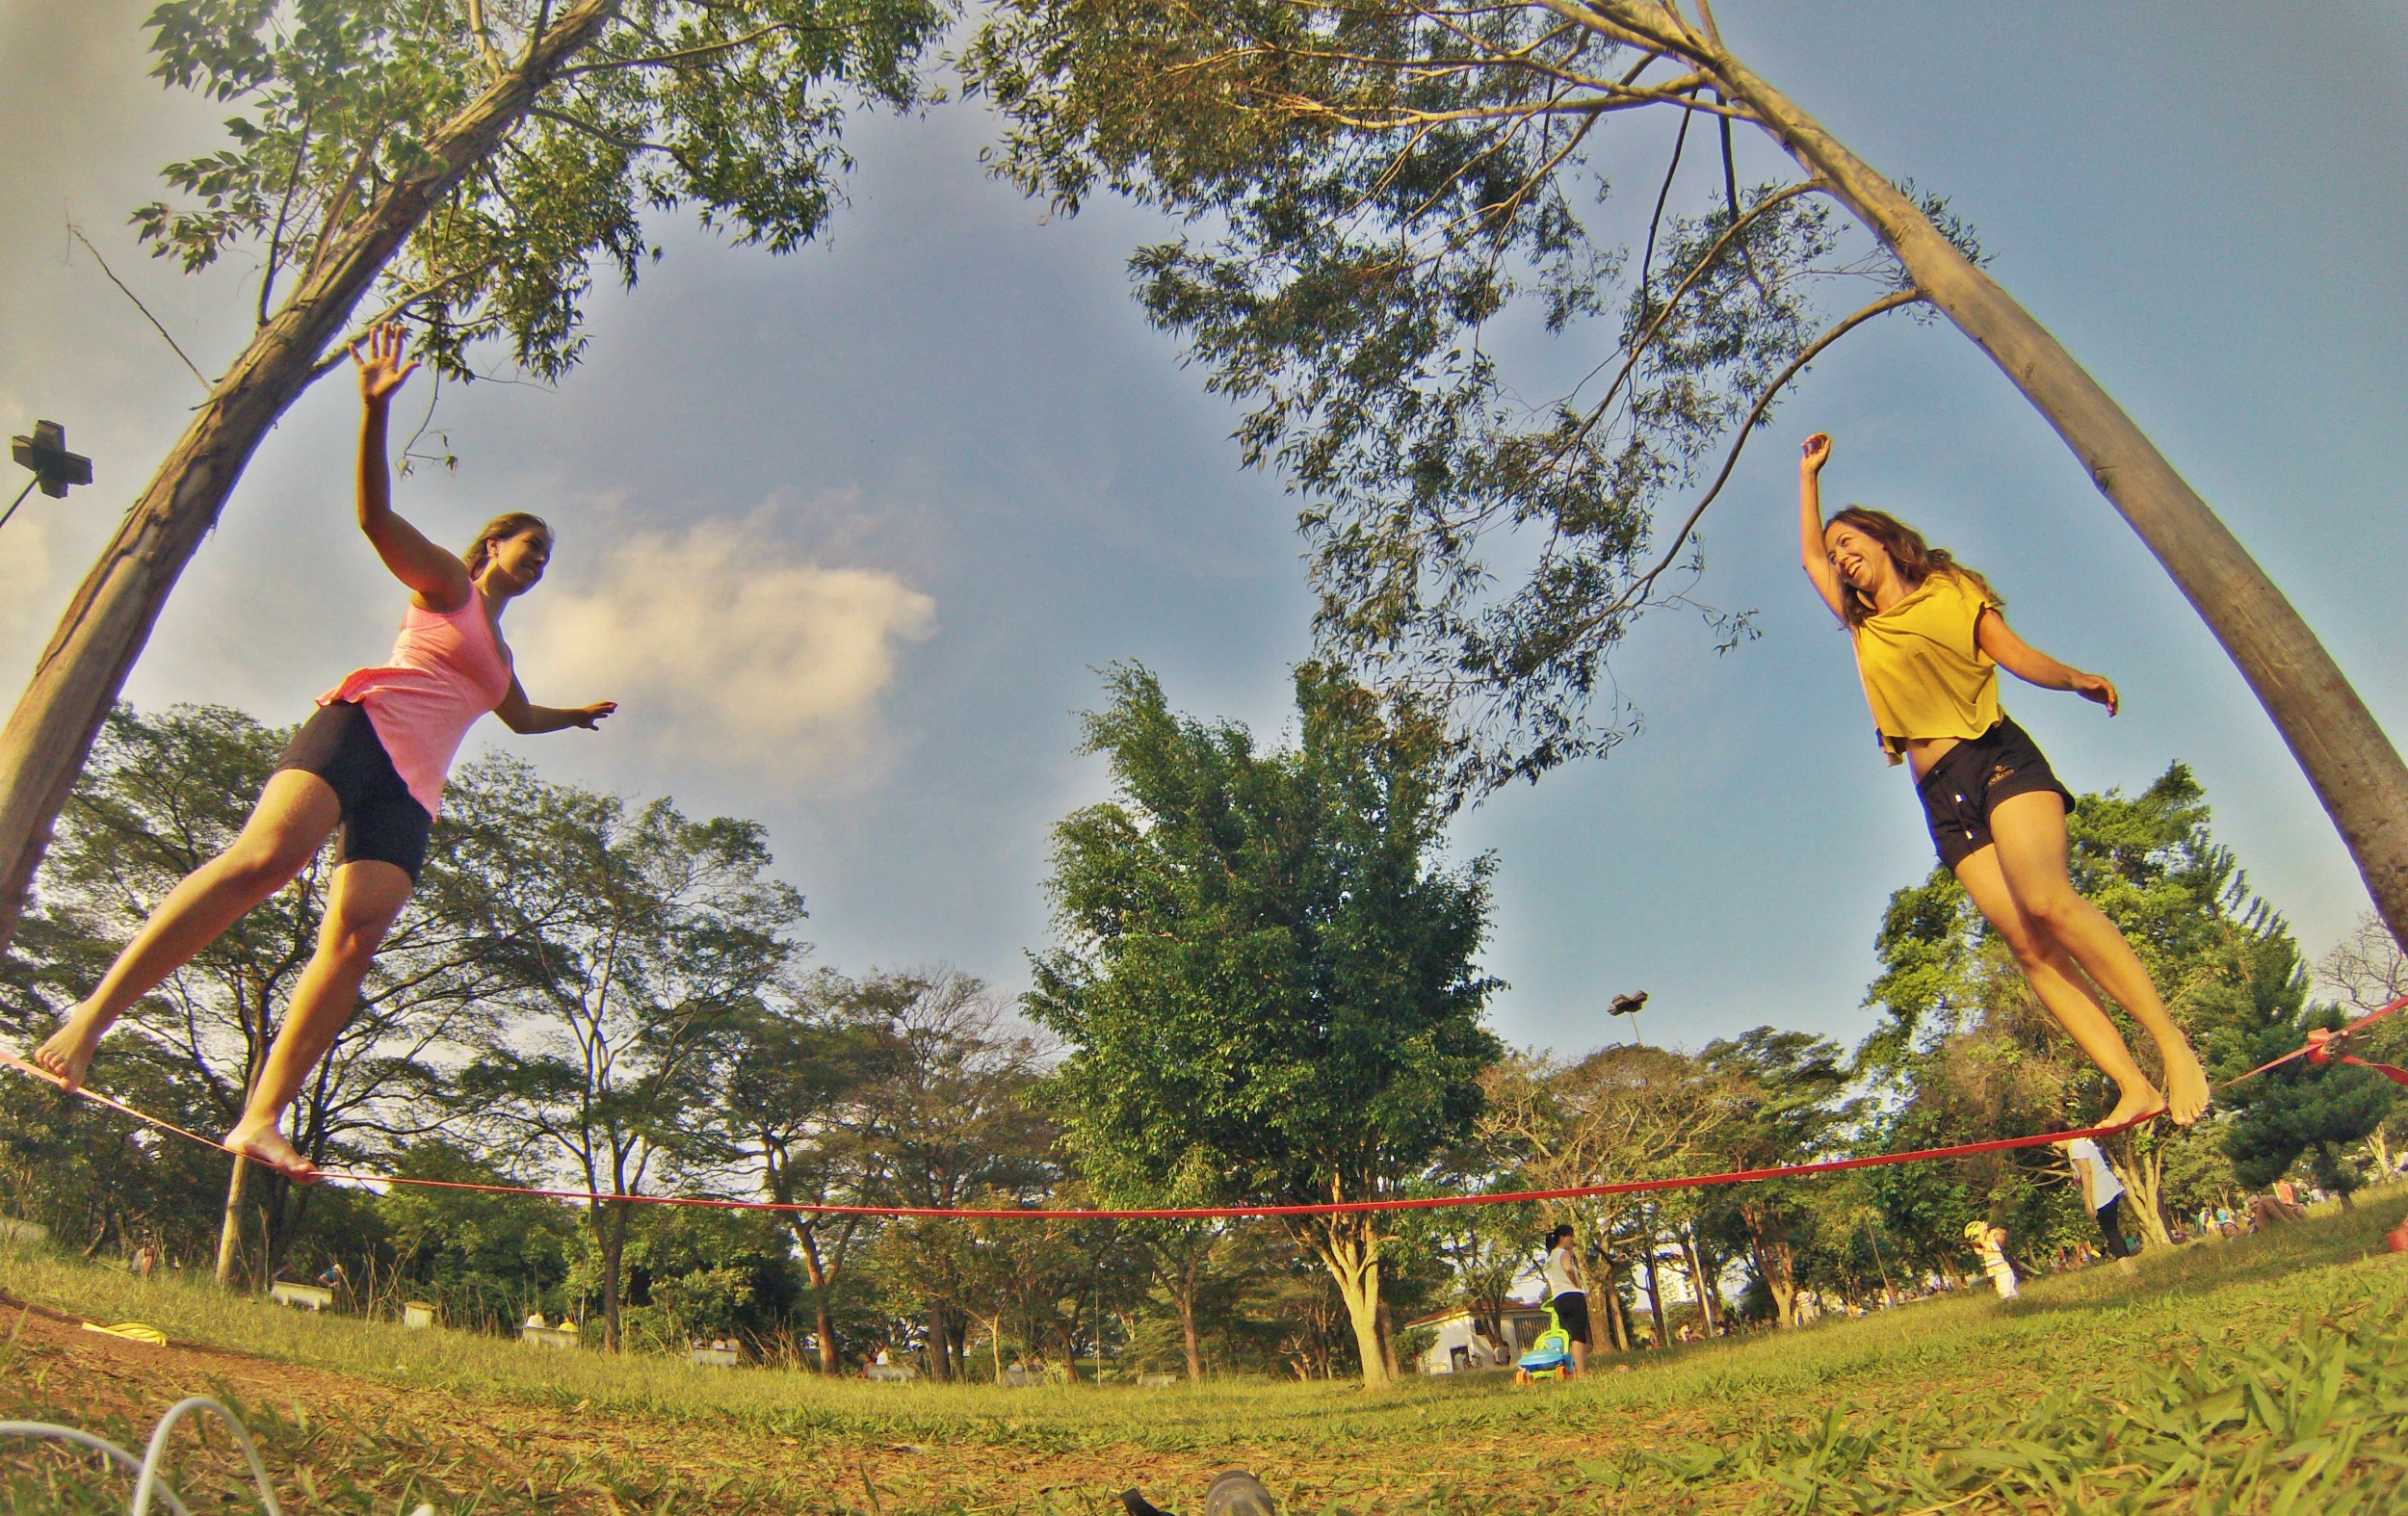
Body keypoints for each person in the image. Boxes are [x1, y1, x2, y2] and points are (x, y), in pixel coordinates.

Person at [30, 325, 616, 1178]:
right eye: (532, 550)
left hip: (411, 794)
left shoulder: (505, 656)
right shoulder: (447, 589)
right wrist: (375, 412)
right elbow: (375, 518)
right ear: (495, 545)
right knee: (262, 862)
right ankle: (88, 1023)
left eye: (549, 561)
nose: (540, 566)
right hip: (359, 733)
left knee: (353, 941)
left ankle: (261, 1119)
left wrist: (575, 715)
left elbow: (517, 718)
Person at [1795, 434, 2210, 1130]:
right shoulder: (1863, 624)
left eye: (1848, 541)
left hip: (1996, 757)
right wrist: (1807, 479)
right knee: (2026, 945)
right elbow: (1807, 556)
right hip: (1939, 794)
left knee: (2048, 902)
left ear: (1883, 538)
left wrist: (2075, 676)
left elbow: (2014, 656)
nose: (1837, 555)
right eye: (1835, 551)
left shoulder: (1951, 590)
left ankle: (2172, 1045)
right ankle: (2132, 1085)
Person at [2056, 1136, 2137, 1273]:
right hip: (2107, 1187)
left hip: (2102, 1191)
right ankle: (2129, 1267)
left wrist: (2088, 1201)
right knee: (2112, 1230)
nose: (2054, 1146)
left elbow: (2086, 1172)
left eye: (2053, 1142)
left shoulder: (2074, 1146)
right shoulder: (2079, 1144)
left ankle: (2128, 1269)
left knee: (2110, 1231)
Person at [1540, 1223, 1590, 1375]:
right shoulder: (1563, 1253)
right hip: (1572, 1296)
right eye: (1571, 1236)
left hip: (1558, 1299)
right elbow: (1568, 1269)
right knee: (1578, 1336)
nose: (1572, 1240)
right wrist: (1577, 1284)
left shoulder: (1549, 1259)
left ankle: (1570, 1368)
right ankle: (1580, 1373)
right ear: (1563, 1237)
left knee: (1568, 1336)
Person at [1965, 1220, 2018, 1300]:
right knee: (2010, 1290)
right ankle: (2016, 1302)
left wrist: (1982, 1230)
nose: (1988, 1234)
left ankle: (2009, 1304)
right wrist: (1973, 1243)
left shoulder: (1993, 1245)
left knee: (2003, 1291)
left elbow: (1982, 1241)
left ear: (1996, 1239)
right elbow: (1978, 1251)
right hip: (2002, 1272)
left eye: (1991, 1234)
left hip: (2002, 1272)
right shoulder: (1987, 1248)